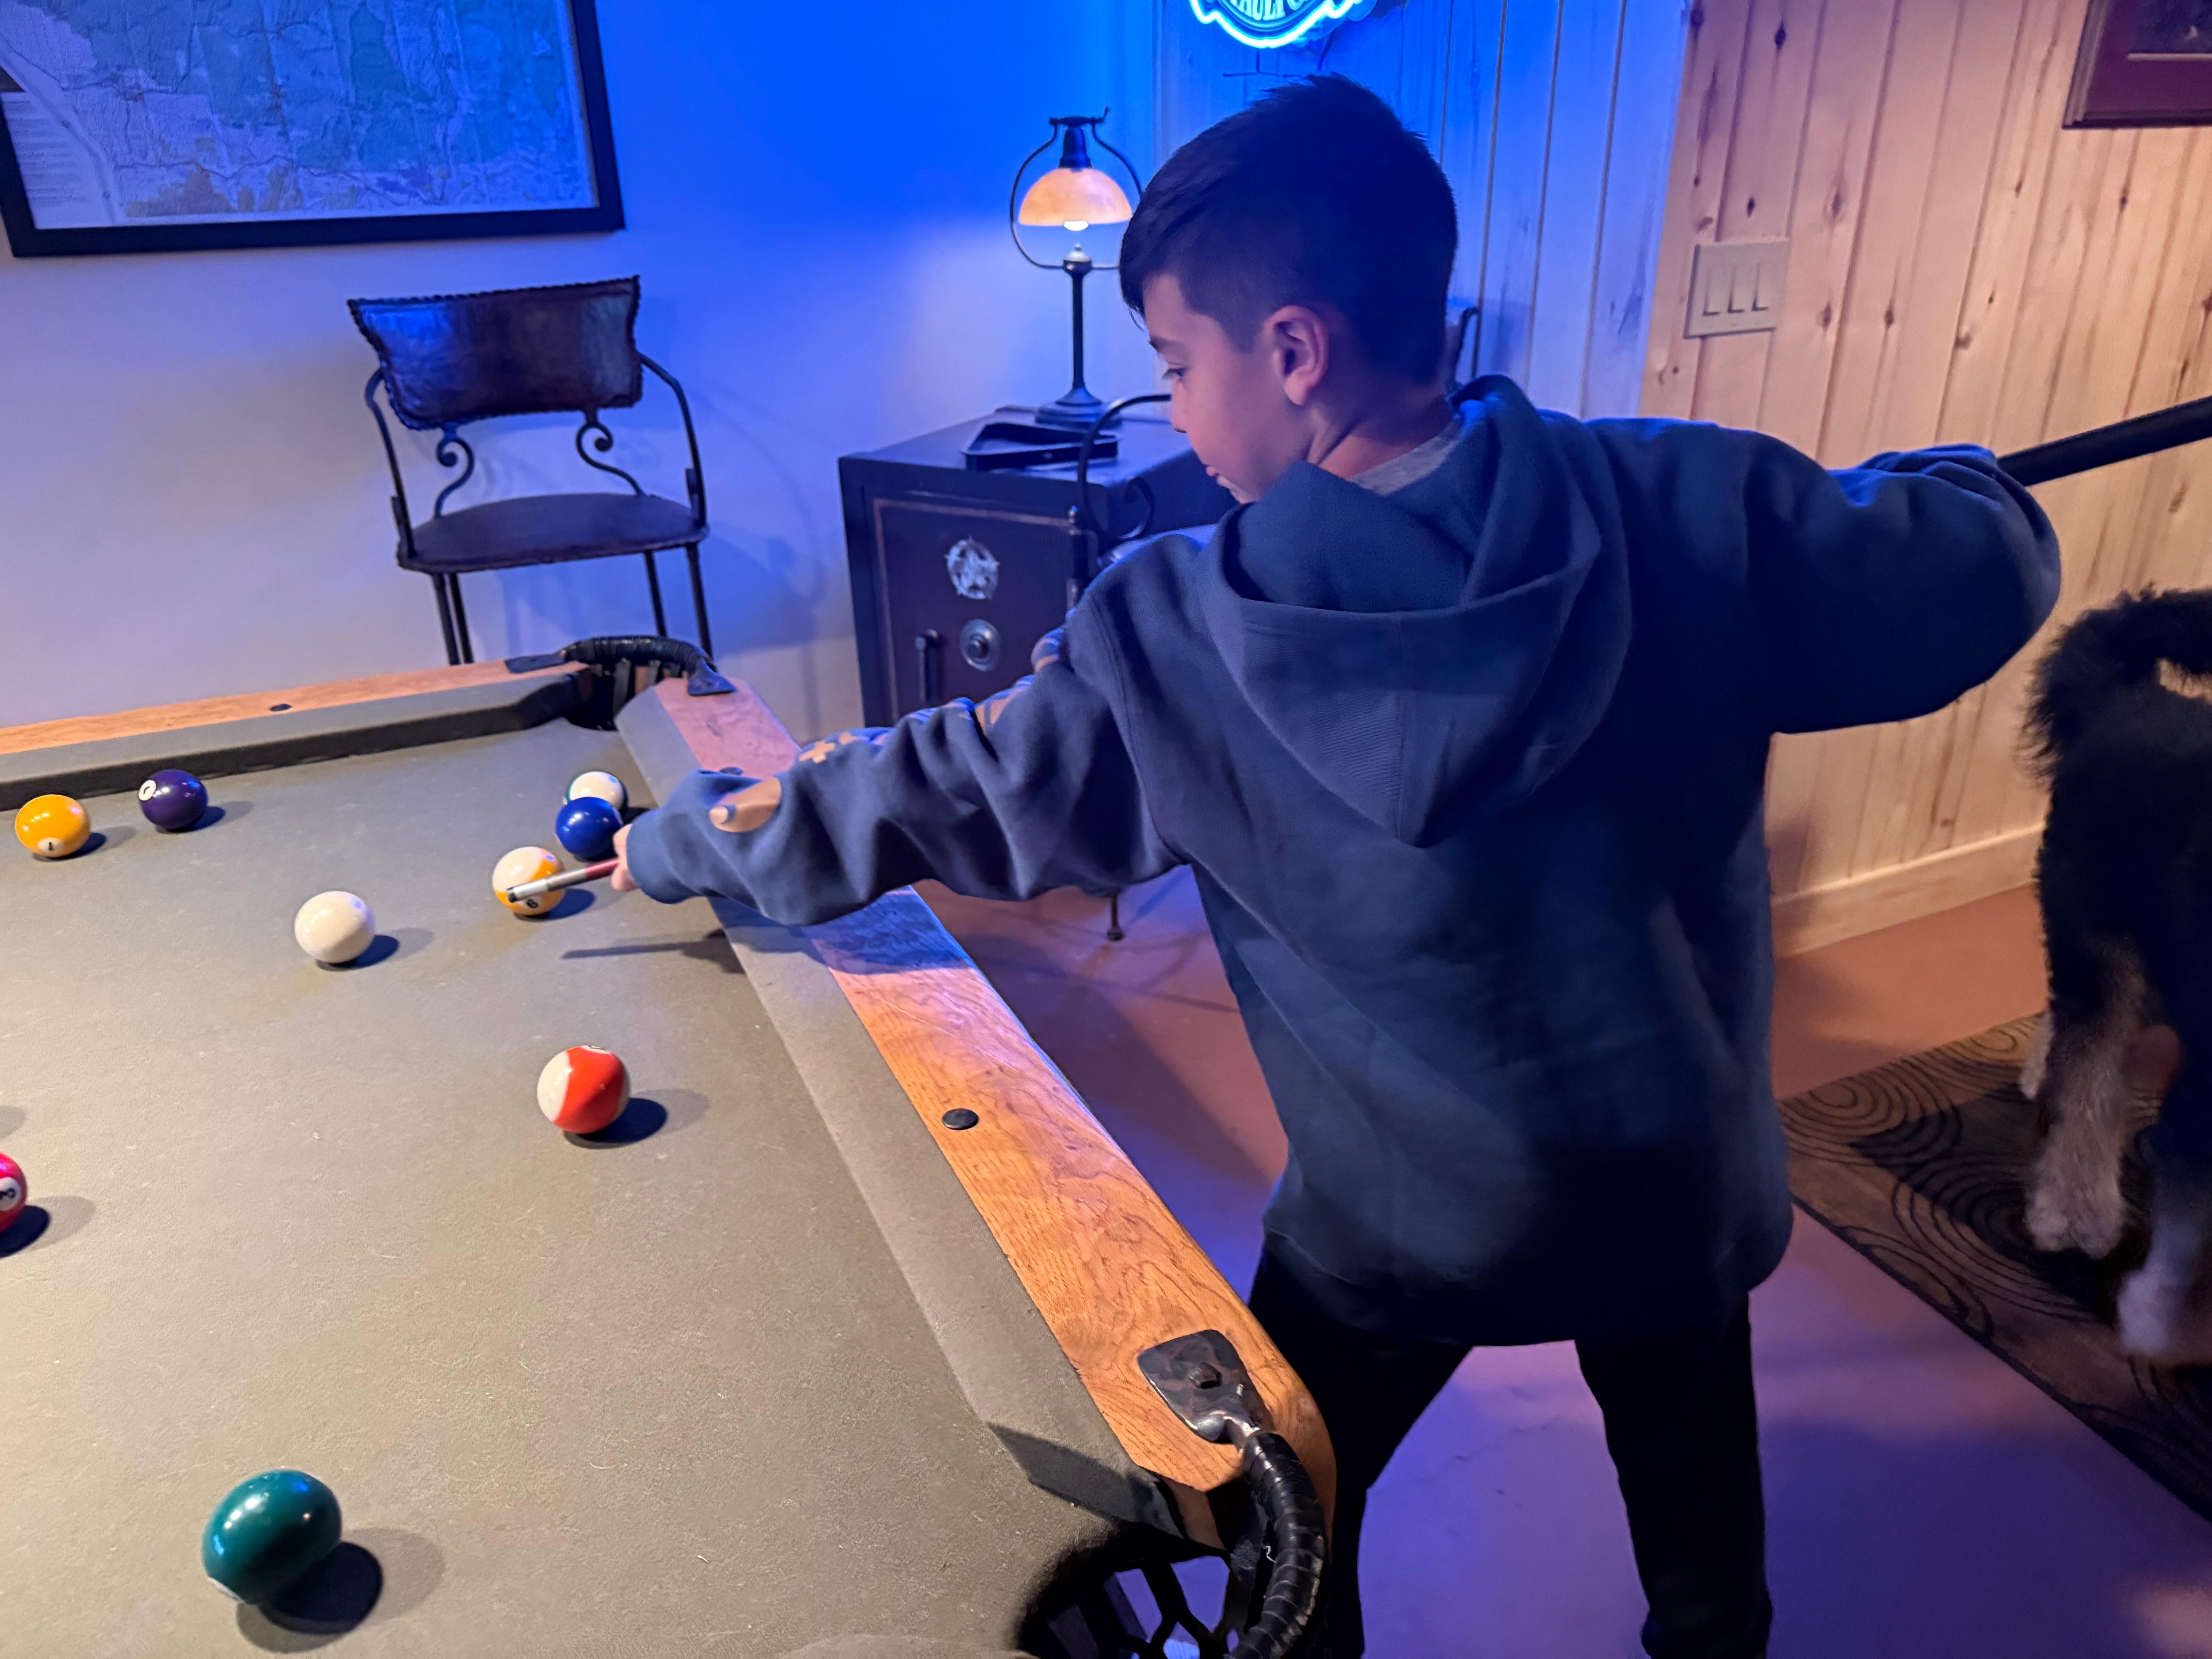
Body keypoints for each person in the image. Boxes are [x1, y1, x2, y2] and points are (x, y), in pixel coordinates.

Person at [612, 74, 2059, 1659]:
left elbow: (956, 786)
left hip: (1403, 1227)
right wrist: (1963, 479)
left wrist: (700, 835)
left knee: (1288, 1519)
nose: (1174, 411)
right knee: (1698, 1489)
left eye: (1178, 367)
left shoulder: (1171, 631)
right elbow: (1969, 571)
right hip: (1674, 1191)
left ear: (1296, 352)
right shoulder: (1686, 503)